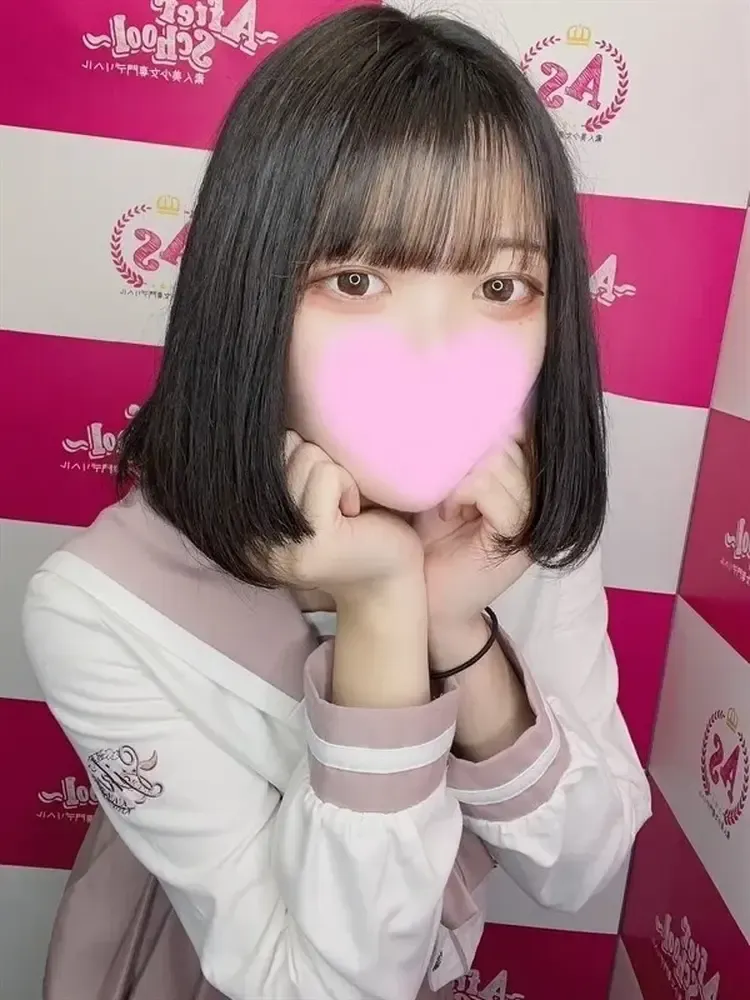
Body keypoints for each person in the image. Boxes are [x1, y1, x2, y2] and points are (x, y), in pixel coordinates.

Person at [22, 5, 651, 1000]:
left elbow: (584, 864)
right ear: (249, 289)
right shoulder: (101, 603)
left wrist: (456, 628)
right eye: (357, 279)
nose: (438, 356)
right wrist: (380, 608)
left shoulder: (511, 518)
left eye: (501, 286)